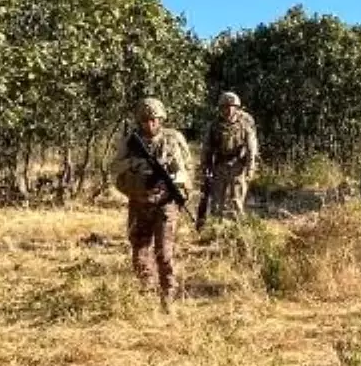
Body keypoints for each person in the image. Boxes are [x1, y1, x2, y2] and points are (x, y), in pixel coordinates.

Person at [109, 97, 192, 310]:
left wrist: (178, 182)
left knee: (164, 254)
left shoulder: (173, 139)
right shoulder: (131, 141)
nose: (150, 124)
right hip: (139, 203)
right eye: (145, 120)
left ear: (161, 119)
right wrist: (135, 162)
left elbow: (187, 168)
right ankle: (147, 290)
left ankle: (168, 295)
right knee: (139, 253)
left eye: (154, 119)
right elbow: (115, 167)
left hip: (165, 203)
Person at [200, 91, 258, 222]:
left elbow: (251, 148)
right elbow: (206, 147)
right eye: (225, 106)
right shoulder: (214, 125)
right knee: (216, 202)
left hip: (238, 165)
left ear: (237, 108)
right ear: (221, 108)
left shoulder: (245, 124)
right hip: (219, 165)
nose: (229, 110)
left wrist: (250, 168)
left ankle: (238, 231)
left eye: (232, 106)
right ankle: (215, 230)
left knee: (237, 201)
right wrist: (205, 166)